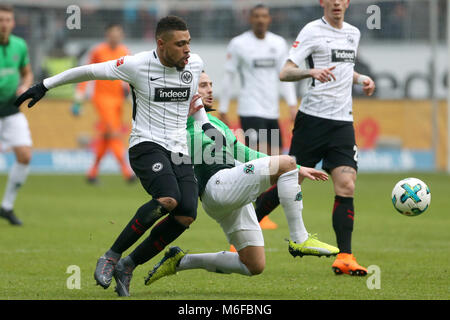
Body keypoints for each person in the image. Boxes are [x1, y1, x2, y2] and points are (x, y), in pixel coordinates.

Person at [16, 16, 222, 297]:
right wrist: (45, 85)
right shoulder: (136, 65)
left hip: (179, 148)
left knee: (186, 214)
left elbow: (192, 98)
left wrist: (204, 123)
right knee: (168, 198)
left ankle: (128, 264)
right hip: (146, 145)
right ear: (161, 44)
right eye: (180, 43)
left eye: (189, 42)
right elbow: (89, 71)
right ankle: (111, 255)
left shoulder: (193, 64)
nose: (187, 49)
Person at [144, 71, 339, 286]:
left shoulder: (217, 123)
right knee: (286, 162)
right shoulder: (176, 128)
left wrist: (298, 168)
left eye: (210, 84)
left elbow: (244, 153)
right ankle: (299, 239)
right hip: (216, 188)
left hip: (231, 188)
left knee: (253, 265)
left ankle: (180, 261)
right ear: (188, 93)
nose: (209, 89)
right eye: (202, 85)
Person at [255, 0, 376, 276]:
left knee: (346, 184)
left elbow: (344, 69)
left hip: (343, 123)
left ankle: (345, 256)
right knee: (289, 180)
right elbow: (285, 72)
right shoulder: (311, 31)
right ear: (322, 2)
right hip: (312, 121)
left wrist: (361, 79)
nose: (336, 3)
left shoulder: (353, 33)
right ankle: (243, 232)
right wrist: (310, 72)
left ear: (347, 3)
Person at [219, 4, 298, 229]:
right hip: (249, 109)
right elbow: (229, 76)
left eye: (264, 16)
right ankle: (255, 213)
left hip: (271, 111)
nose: (261, 20)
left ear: (269, 19)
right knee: (262, 161)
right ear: (250, 19)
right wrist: (223, 107)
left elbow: (285, 76)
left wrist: (292, 105)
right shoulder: (239, 44)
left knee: (275, 163)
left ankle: (257, 211)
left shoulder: (278, 43)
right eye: (256, 16)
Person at [72, 23, 135, 184]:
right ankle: (127, 173)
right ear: (107, 35)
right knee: (114, 133)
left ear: (122, 36)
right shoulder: (98, 51)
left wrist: (129, 90)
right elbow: (86, 74)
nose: (115, 36)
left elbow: (129, 75)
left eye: (118, 33)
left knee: (107, 136)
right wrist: (79, 98)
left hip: (118, 100)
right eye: (112, 33)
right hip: (102, 99)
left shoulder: (124, 52)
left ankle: (92, 173)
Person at [0, 5, 34, 226]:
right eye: (0, 20)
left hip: (12, 109)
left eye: (7, 20)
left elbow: (27, 72)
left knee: (25, 156)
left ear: (13, 23)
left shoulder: (20, 45)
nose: (4, 24)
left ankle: (7, 206)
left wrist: (25, 85)